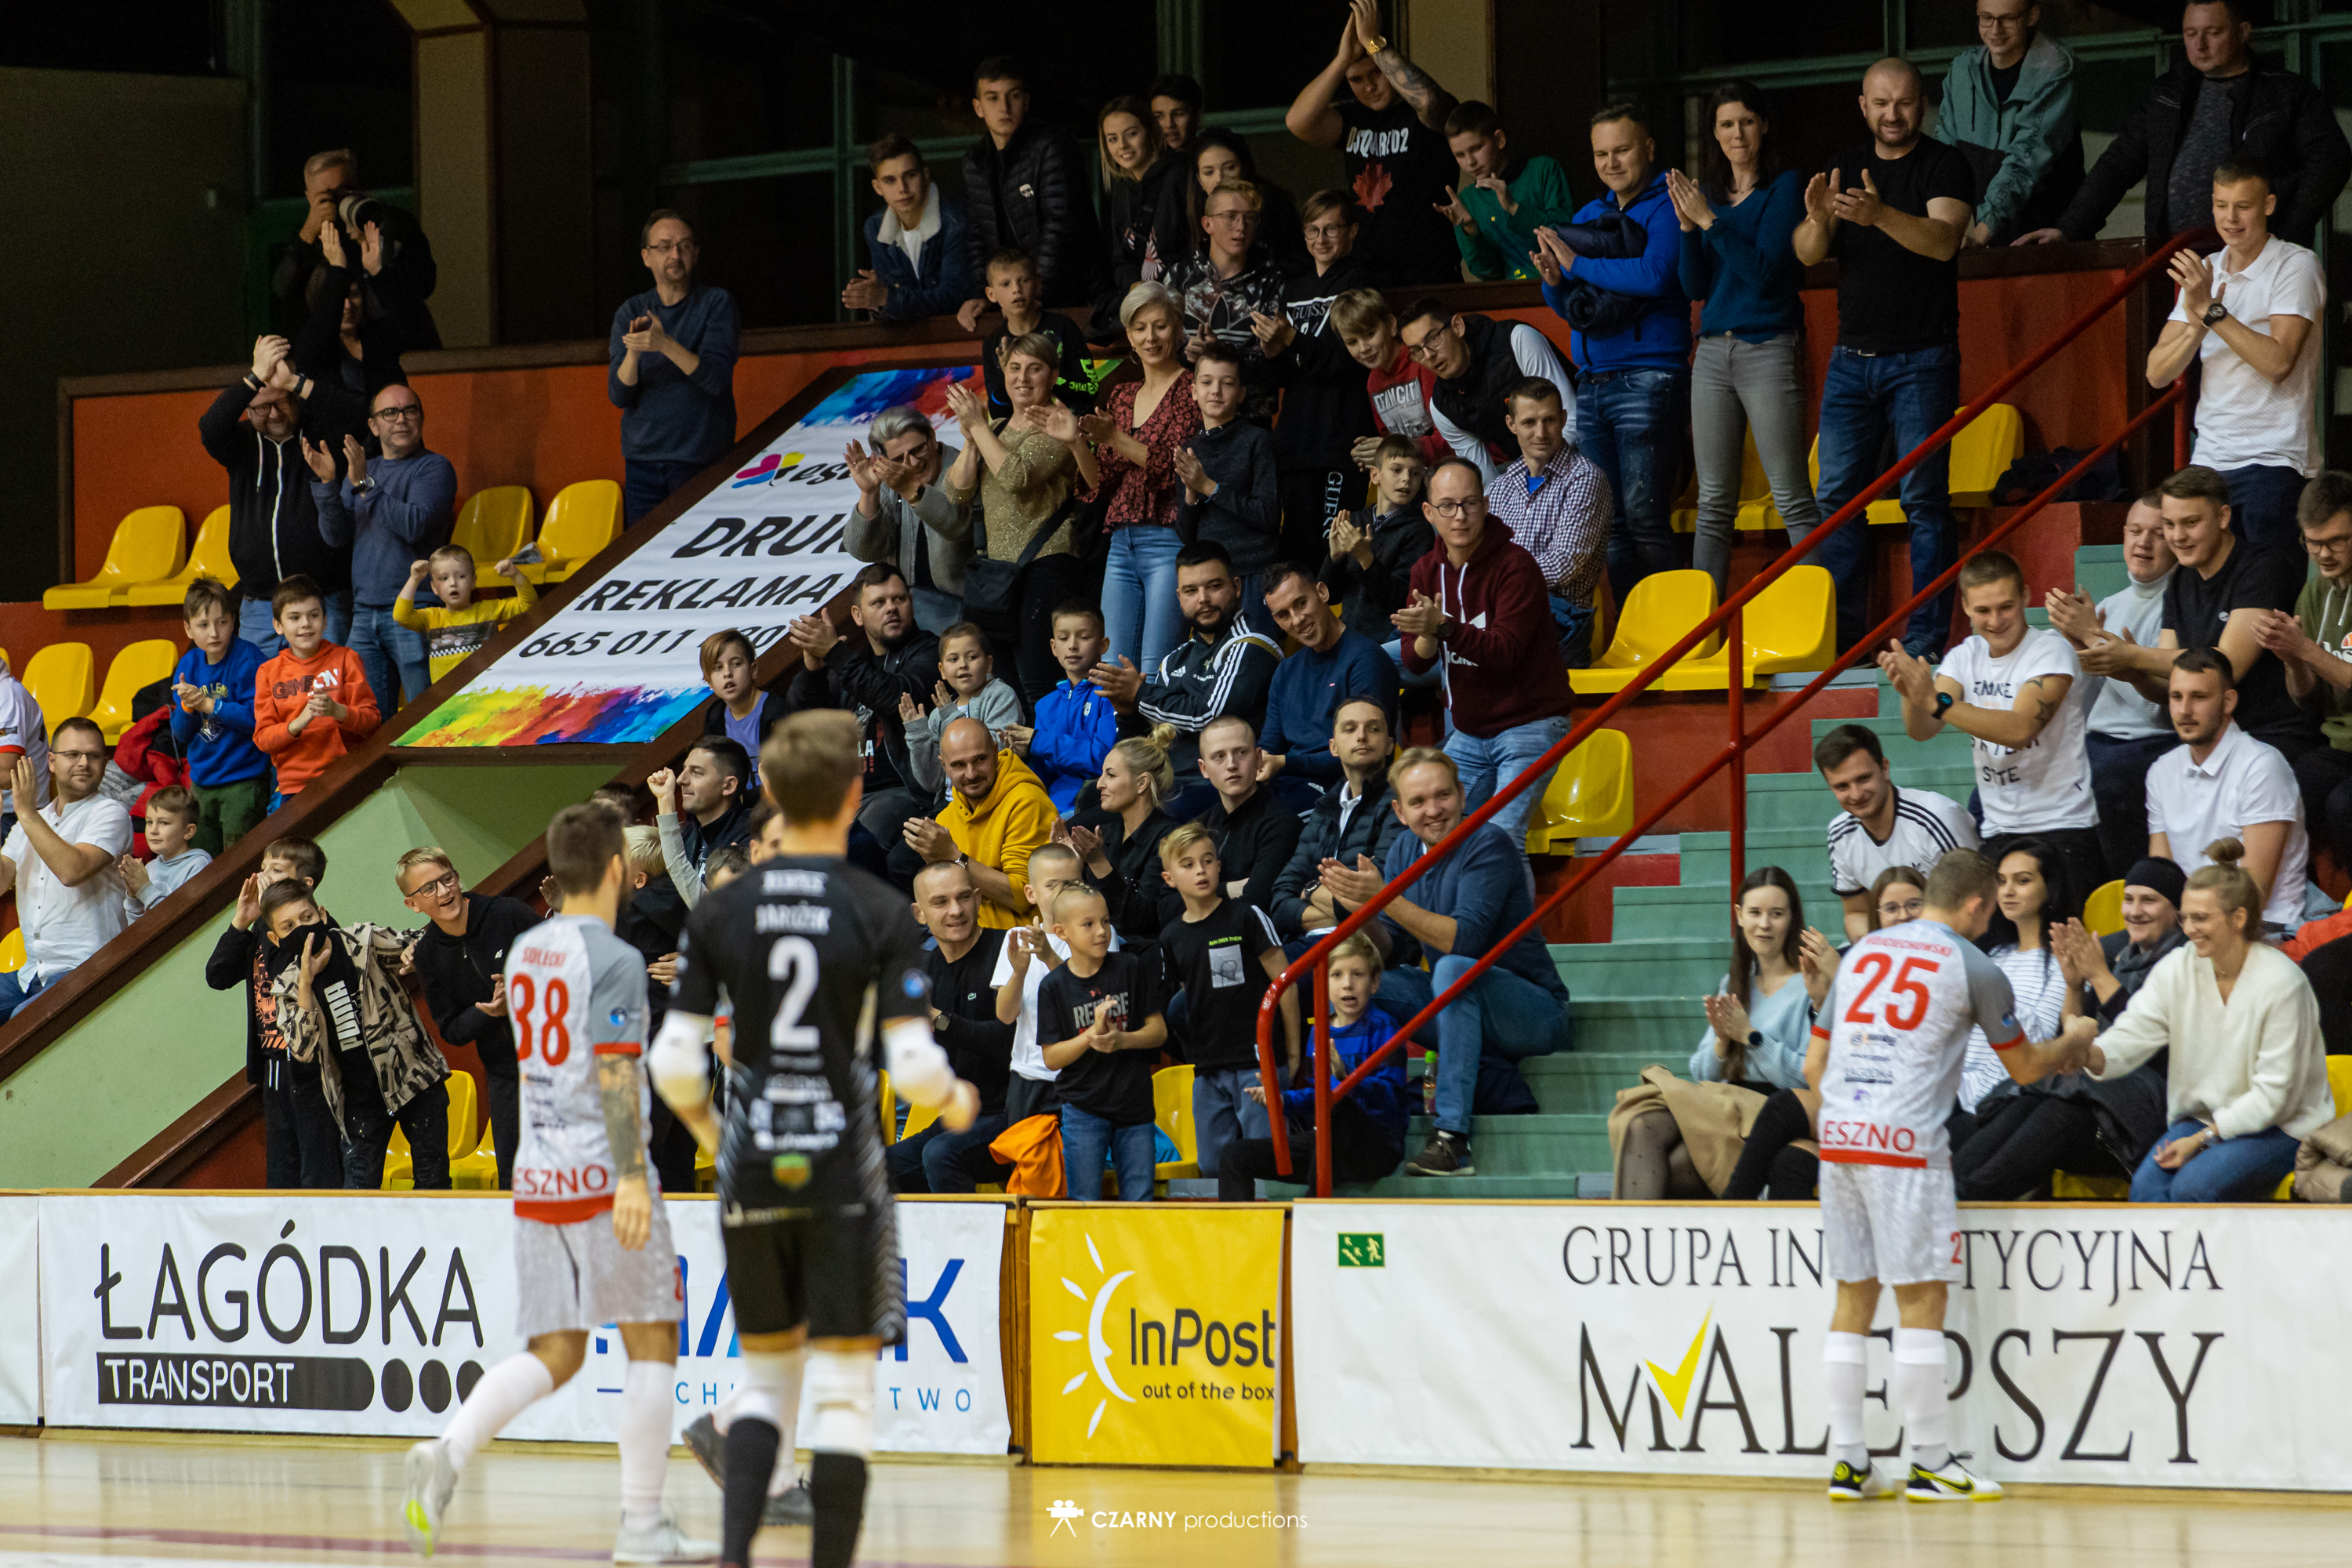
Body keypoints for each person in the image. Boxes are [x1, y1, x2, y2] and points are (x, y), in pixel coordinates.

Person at [649, 710, 983, 1568]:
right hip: (842, 1172)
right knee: (842, 1393)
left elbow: (676, 1062)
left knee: (766, 1378)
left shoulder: (721, 910)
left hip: (753, 1167)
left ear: (767, 789)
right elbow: (915, 1066)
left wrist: (719, 1134)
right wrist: (954, 1098)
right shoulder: (878, 907)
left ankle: (735, 1557)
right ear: (853, 791)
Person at [400, 804, 702, 1561]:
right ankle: (642, 1524)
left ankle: (449, 1449)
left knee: (557, 1350)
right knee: (653, 1343)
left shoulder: (530, 949)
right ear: (617, 870)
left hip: (538, 1169)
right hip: (603, 1169)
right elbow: (616, 1073)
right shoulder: (617, 958)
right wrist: (632, 1176)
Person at [1811, 847, 2097, 1504]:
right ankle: (1932, 1463)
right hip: (1904, 1146)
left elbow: (1813, 1067)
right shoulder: (1972, 965)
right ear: (1975, 903)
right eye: (1989, 906)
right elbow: (2025, 1069)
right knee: (1921, 1302)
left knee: (1853, 1299)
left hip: (1841, 1136)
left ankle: (1849, 1462)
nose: (1991, 918)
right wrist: (2076, 1038)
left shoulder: (1861, 955)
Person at [1795, 59, 1977, 655]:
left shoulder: (1945, 163)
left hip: (1923, 359)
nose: (1892, 114)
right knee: (1836, 501)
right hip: (1851, 359)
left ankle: (1925, 639)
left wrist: (1879, 216)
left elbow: (1944, 241)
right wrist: (1817, 220)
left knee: (1923, 500)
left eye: (1902, 102)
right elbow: (1807, 253)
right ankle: (1847, 640)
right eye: (1880, 103)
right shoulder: (1844, 165)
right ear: (1863, 106)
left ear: (1922, 104)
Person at [1323, 748, 1570, 1177]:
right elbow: (1392, 949)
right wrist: (1363, 912)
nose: (1433, 810)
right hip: (1460, 1005)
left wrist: (1384, 897)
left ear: (1462, 795)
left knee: (1452, 969)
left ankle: (1452, 1138)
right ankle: (1369, 1115)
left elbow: (1464, 940)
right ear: (1400, 812)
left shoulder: (1488, 842)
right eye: (1418, 802)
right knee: (1367, 982)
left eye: (1443, 796)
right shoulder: (1404, 849)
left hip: (1534, 1011)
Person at [2077, 839, 2333, 1201]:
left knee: (2192, 1189)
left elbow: (2274, 1097)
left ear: (2238, 919)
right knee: (2146, 1191)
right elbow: (2133, 1033)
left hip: (2283, 1127)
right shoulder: (2178, 967)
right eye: (2185, 917)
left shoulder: (2282, 982)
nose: (2189, 929)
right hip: (2202, 1120)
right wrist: (2088, 1055)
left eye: (2200, 918)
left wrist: (2203, 1138)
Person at [2020, 0, 2351, 250]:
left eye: (2214, 33)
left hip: (2255, 258)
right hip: (2174, 258)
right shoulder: (2168, 93)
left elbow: (2331, 161)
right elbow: (2118, 164)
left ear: (2243, 32)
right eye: (2191, 34)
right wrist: (2069, 229)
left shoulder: (2285, 92)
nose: (2200, 44)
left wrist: (2285, 229)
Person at [1954, 856, 2185, 1199]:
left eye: (2148, 900)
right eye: (2129, 899)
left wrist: (2099, 976)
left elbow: (2154, 1042)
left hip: (2141, 1110)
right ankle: (1952, 1190)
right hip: (2094, 1092)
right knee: (2028, 1097)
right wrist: (2074, 985)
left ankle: (1972, 1198)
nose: (2135, 911)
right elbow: (2076, 1035)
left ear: (2178, 911)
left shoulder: (2188, 962)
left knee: (2059, 1108)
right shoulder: (2120, 955)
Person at [1667, 82, 1821, 593]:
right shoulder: (1708, 197)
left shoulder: (1784, 188)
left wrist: (1709, 221)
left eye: (1747, 122)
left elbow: (1764, 274)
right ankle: (1704, 624)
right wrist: (1687, 229)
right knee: (1713, 502)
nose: (1737, 134)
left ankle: (1819, 617)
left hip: (1768, 347)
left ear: (1764, 125)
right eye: (1727, 124)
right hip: (1712, 351)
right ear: (1714, 133)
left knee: (1791, 494)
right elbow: (1695, 287)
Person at [1533, 103, 1690, 596]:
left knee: (1646, 518)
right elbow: (1572, 307)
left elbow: (1656, 274)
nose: (1611, 163)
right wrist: (1555, 281)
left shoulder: (1669, 203)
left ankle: (1680, 628)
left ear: (1649, 148)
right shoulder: (1589, 216)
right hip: (1593, 383)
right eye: (1602, 154)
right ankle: (1635, 631)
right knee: (1612, 524)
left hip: (1649, 376)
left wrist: (1576, 262)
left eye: (1622, 150)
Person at [1882, 550, 2103, 895]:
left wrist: (1933, 701)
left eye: (2005, 607)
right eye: (1983, 610)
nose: (1996, 620)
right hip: (1998, 831)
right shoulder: (1964, 656)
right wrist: (1909, 693)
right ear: (1966, 607)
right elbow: (1922, 729)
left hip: (2063, 827)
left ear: (2025, 597)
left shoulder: (2051, 650)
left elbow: (2019, 730)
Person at [1394, 458, 1577, 853]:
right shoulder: (1426, 570)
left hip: (1531, 722)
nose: (1460, 516)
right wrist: (1427, 633)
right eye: (1447, 506)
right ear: (1428, 512)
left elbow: (1505, 652)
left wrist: (1444, 626)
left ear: (1486, 504)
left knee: (1500, 840)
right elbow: (1416, 661)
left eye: (1470, 504)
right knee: (1430, 833)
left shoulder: (1516, 566)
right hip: (1471, 730)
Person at [1619, 868, 1835, 1200]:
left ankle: (1631, 1231)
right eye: (1755, 913)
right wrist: (1722, 1040)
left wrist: (1751, 1037)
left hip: (1766, 1119)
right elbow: (1701, 1072)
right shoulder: (1734, 982)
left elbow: (1807, 1080)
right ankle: (1633, 1231)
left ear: (1792, 919)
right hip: (1722, 1108)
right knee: (1641, 1125)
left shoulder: (1810, 984)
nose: (1764, 924)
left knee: (1672, 1166)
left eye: (1777, 914)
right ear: (1739, 915)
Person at [2145, 158, 2325, 554]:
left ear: (2268, 205)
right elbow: (2157, 373)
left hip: (2275, 460)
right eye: (2221, 205)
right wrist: (2198, 321)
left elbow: (2278, 363)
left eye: (2243, 206)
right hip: (2209, 460)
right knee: (2210, 584)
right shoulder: (2207, 269)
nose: (2230, 218)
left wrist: (2211, 311)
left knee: (2265, 584)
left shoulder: (2296, 264)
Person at [1722, 865, 1931, 1202]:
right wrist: (1823, 1000)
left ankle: (1731, 1208)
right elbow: (1839, 1053)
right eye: (1891, 908)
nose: (1903, 916)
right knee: (1790, 1161)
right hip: (1856, 1093)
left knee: (1782, 1107)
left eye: (1914, 905)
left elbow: (1889, 1043)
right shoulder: (1861, 964)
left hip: (1898, 1102)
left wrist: (1840, 979)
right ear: (1876, 917)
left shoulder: (1938, 964)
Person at [2089, 464, 2318, 759]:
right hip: (2210, 738)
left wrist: (2133, 655)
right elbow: (2170, 684)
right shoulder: (2181, 579)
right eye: (2170, 525)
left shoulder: (2263, 568)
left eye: (2190, 523)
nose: (2178, 536)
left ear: (2223, 517)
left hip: (2271, 733)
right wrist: (2135, 674)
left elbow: (2227, 666)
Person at [260, 877, 452, 1192]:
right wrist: (306, 983)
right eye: (289, 927)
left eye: (307, 918)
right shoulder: (287, 987)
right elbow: (303, 1050)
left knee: (433, 1185)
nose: (302, 930)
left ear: (322, 914)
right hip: (359, 1102)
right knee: (356, 1195)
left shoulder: (362, 942)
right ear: (275, 938)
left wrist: (413, 954)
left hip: (413, 1080)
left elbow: (418, 945)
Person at [1155, 822, 1298, 1199]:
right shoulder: (1171, 936)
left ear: (1220, 866)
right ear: (1169, 878)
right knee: (1213, 1166)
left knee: (1265, 1161)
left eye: (1207, 861)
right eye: (1188, 865)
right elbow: (1190, 999)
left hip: (1257, 1064)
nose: (1201, 871)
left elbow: (1285, 986)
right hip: (1207, 1069)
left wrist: (1293, 1055)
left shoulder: (1247, 915)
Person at [942, 355, 1097, 706]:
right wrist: (972, 438)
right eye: (1014, 368)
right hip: (999, 576)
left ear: (1053, 376)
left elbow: (1016, 477)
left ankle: (1054, 741)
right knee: (1002, 685)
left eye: (1034, 368)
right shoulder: (994, 428)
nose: (1023, 378)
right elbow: (956, 494)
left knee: (1042, 682)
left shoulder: (1056, 425)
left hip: (1047, 566)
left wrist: (979, 427)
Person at [199, 335, 365, 652]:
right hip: (260, 606)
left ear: (295, 400)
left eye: (282, 402)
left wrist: (294, 382)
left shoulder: (318, 434)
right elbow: (210, 427)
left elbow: (358, 416)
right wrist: (254, 377)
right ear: (248, 409)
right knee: (259, 686)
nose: (274, 414)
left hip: (321, 602)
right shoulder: (241, 444)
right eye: (262, 407)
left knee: (328, 684)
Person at [2045, 491, 2179, 880]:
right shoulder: (2109, 605)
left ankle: (2125, 892)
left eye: (2157, 534)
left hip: (2149, 742)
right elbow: (2084, 701)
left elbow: (2157, 710)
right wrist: (2079, 646)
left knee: (2105, 783)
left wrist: (2092, 637)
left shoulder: (2178, 604)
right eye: (2135, 531)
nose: (2143, 542)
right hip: (2098, 740)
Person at [1283, 0, 1463, 286]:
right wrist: (1343, 60)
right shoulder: (1352, 117)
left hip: (1431, 272)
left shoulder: (1420, 113)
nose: (1369, 86)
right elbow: (1297, 122)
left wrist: (1374, 44)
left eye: (1377, 73)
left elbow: (1429, 102)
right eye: (1357, 79)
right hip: (1368, 275)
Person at [306, 383, 456, 712]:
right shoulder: (365, 470)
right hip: (363, 613)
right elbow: (336, 536)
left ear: (421, 419)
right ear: (373, 426)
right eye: (390, 412)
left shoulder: (434, 468)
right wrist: (329, 485)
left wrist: (364, 485)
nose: (401, 419)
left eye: (410, 410)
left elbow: (415, 525)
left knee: (424, 716)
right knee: (369, 720)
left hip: (415, 610)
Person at [1088, 543, 1285, 786]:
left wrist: (1140, 694)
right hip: (1169, 783)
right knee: (1093, 796)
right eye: (1191, 591)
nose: (1203, 599)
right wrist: (1129, 714)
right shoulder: (1174, 660)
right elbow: (1155, 740)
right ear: (1179, 598)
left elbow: (1210, 716)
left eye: (1214, 586)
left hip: (1220, 787)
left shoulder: (1252, 645)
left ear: (1236, 587)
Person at [2144, 647, 2312, 932]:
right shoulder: (2161, 770)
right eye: (2176, 697)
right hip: (2190, 925)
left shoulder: (2262, 766)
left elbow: (2253, 893)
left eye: (2199, 697)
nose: (2184, 710)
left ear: (2228, 701)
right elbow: (2161, 878)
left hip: (2263, 926)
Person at [1254, 190, 1381, 565]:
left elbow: (1351, 361)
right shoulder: (1294, 288)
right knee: (1296, 545)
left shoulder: (1361, 281)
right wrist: (1272, 351)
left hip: (1341, 437)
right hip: (1295, 439)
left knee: (1333, 549)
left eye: (1331, 229)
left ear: (1352, 231)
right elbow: (1284, 373)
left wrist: (1293, 339)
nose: (1321, 239)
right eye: (1312, 230)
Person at [402, 846, 538, 1192]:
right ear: (413, 904)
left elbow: (568, 964)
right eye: (429, 888)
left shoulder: (507, 913)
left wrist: (525, 991)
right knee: (514, 1180)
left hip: (558, 1058)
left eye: (447, 879)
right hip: (505, 1073)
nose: (444, 891)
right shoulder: (427, 954)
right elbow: (451, 1029)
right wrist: (487, 1012)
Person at [1082, 281, 1200, 674]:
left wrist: (1114, 437)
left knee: (1156, 667)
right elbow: (1102, 481)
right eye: (1140, 328)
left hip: (1168, 540)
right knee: (1112, 667)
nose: (1150, 337)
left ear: (1178, 330)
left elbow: (1174, 467)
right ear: (1129, 337)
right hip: (1120, 543)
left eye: (1160, 326)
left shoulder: (1192, 387)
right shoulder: (1122, 395)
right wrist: (1074, 442)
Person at [1229, 933, 1407, 1192]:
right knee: (1235, 1155)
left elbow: (1392, 1098)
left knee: (1338, 1107)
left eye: (1358, 974)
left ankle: (1312, 1208)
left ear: (1375, 982)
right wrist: (1281, 1100)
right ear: (1323, 982)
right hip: (1327, 1140)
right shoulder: (1319, 1032)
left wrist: (1347, 1077)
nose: (1348, 984)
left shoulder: (1384, 1027)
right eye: (1337, 975)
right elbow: (1316, 1096)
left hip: (1377, 1144)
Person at [209, 838, 339, 1188]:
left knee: (319, 1169)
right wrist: (241, 922)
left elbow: (293, 974)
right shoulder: (260, 930)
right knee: (282, 1172)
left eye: (276, 871)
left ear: (305, 884)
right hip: (274, 1063)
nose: (263, 877)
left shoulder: (318, 931)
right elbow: (217, 976)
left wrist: (279, 925)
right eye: (263, 868)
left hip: (312, 1065)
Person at [783, 566, 941, 851]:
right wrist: (813, 671)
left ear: (911, 603)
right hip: (847, 795)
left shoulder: (931, 652)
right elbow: (802, 723)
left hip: (903, 793)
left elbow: (895, 697)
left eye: (899, 599)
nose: (891, 608)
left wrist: (835, 653)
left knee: (852, 846)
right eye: (878, 602)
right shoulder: (853, 664)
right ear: (857, 615)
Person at [1031, 884, 1167, 1201]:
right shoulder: (1053, 986)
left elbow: (1159, 1031)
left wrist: (1121, 1040)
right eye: (1088, 924)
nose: (1102, 931)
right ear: (1061, 932)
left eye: (1105, 921)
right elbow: (1052, 1058)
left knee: (1140, 1199)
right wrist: (1089, 1037)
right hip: (1083, 1109)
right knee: (1084, 1202)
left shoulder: (1130, 966)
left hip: (1135, 1106)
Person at [608, 210, 739, 524]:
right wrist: (634, 352)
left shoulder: (716, 303)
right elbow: (619, 395)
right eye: (665, 247)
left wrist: (664, 344)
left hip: (701, 458)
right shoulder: (630, 310)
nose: (675, 255)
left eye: (684, 246)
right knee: (644, 550)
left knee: (699, 547)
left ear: (695, 253)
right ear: (646, 257)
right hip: (641, 462)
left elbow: (716, 379)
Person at [893, 861, 1014, 1194]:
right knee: (881, 1167)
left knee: (941, 1155)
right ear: (919, 914)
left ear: (978, 899)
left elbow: (1008, 1041)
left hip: (1013, 1112)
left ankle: (970, 1232)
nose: (956, 910)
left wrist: (937, 1019)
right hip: (960, 1114)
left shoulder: (1008, 951)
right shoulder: (923, 971)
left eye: (963, 897)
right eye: (940, 902)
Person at [0, 722, 132, 1019]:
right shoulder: (31, 820)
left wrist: (26, 812)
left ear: (104, 763)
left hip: (87, 967)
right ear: (51, 761)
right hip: (30, 972)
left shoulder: (111, 813)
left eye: (94, 756)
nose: (84, 763)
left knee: (23, 1023)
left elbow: (72, 871)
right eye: (73, 754)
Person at [1930, 0, 2085, 246]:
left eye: (2008, 18)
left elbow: (2027, 158)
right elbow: (1943, 157)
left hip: (2044, 241)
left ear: (2032, 16)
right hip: (1987, 239)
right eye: (1986, 17)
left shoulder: (2054, 69)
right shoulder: (1962, 70)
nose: (1995, 29)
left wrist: (1981, 233)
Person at [956, 56, 1100, 316]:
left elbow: (1062, 226)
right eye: (993, 98)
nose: (1004, 108)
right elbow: (976, 237)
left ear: (1026, 101)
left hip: (1065, 297)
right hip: (1013, 300)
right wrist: (982, 293)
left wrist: (1031, 292)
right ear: (978, 107)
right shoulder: (975, 161)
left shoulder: (1051, 146)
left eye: (1013, 96)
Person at [2259, 474, 2352, 866]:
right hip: (2339, 746)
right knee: (2278, 792)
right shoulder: (2315, 593)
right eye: (2313, 543)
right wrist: (2292, 660)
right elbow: (2309, 702)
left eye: (2336, 541)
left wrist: (2306, 650)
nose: (2323, 554)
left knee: (2344, 805)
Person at [1486, 378, 1612, 666]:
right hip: (1502, 613)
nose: (1541, 433)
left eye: (1550, 420)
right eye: (1529, 422)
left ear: (1564, 419)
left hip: (1560, 620)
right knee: (1427, 648)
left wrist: (1495, 580)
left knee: (1448, 652)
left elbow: (1563, 565)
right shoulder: (1501, 487)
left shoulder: (1584, 478)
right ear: (1511, 424)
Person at [1818, 723, 1980, 941]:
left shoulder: (1936, 817)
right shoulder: (1839, 834)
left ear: (1885, 768)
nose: (1856, 794)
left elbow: (1972, 907)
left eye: (1863, 779)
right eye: (1842, 786)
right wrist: (1886, 946)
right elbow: (1856, 913)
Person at [1258, 563, 1400, 804]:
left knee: (1271, 819)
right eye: (1284, 615)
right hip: (1286, 783)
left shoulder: (1367, 660)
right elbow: (1269, 745)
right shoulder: (1285, 671)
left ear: (1322, 593)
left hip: (1340, 790)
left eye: (1301, 603)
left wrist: (1285, 762)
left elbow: (1362, 753)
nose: (1297, 620)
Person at [1270, 698, 1404, 951]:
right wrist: (1340, 914)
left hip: (1366, 949)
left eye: (1374, 728)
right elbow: (1280, 899)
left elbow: (1377, 897)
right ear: (1333, 747)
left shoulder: (1401, 803)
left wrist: (1310, 890)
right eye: (1350, 729)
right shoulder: (1325, 807)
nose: (1362, 736)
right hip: (1313, 940)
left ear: (1390, 745)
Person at [272, 148, 440, 350]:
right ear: (309, 198)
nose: (339, 201)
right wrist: (308, 234)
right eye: (327, 197)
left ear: (358, 186)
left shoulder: (392, 223)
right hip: (339, 356)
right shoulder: (310, 242)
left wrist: (380, 245)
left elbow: (424, 284)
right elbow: (281, 290)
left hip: (403, 348)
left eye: (346, 190)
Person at [898, 718, 1058, 927]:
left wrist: (953, 857)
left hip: (1019, 936)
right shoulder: (945, 819)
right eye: (958, 765)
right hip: (963, 930)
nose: (971, 773)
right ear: (944, 766)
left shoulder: (1027, 802)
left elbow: (1023, 897)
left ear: (995, 751)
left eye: (980, 760)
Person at [1397, 299, 1574, 485]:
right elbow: (1485, 480)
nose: (1429, 355)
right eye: (1417, 351)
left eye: (1433, 339)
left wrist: (1536, 477)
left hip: (1575, 451)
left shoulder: (1517, 340)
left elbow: (1571, 419)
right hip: (1525, 469)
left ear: (1457, 327)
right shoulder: (1441, 407)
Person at [990, 841, 1100, 1138]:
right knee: (1028, 1161)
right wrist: (1019, 972)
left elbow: (1088, 999)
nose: (1063, 892)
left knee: (1080, 1159)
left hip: (1084, 1074)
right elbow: (1005, 1015)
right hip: (1029, 1076)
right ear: (1031, 893)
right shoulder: (1016, 937)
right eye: (1052, 885)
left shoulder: (1100, 933)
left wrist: (1050, 957)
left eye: (1072, 883)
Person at [1163, 182, 1289, 426]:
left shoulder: (1272, 281)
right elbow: (1159, 349)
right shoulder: (1179, 277)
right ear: (1207, 224)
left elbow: (1278, 367)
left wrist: (1220, 353)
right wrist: (1185, 354)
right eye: (1230, 217)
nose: (1241, 227)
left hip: (1249, 420)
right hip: (1184, 418)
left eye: (1249, 218)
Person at [1175, 343, 1281, 621]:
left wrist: (1208, 487)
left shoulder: (1258, 440)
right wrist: (1191, 492)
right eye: (1207, 382)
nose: (1216, 391)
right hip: (1209, 579)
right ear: (1193, 391)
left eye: (1227, 383)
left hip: (1253, 570)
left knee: (1253, 647)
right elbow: (1186, 535)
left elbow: (1268, 515)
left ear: (1241, 393)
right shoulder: (1189, 449)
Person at [844, 405, 971, 637]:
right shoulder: (890, 480)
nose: (912, 463)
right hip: (908, 617)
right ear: (882, 460)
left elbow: (958, 527)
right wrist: (869, 492)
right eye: (898, 458)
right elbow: (865, 551)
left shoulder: (962, 468)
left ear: (932, 437)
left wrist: (912, 490)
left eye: (918, 450)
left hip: (967, 614)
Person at [254, 575, 380, 804]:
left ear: (325, 621)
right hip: (295, 786)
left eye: (313, 615)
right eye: (294, 617)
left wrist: (337, 711)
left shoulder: (346, 659)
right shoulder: (267, 672)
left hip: (346, 776)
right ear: (278, 626)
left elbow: (372, 721)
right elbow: (263, 738)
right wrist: (297, 724)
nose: (305, 624)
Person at [170, 579, 271, 855]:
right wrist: (188, 707)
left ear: (233, 620)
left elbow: (257, 719)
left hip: (244, 781)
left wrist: (210, 705)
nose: (214, 633)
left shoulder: (249, 659)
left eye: (222, 622)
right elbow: (181, 734)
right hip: (202, 783)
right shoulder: (188, 664)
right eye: (203, 625)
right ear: (188, 629)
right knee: (203, 860)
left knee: (240, 862)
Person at [1438, 100, 1577, 284]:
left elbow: (1567, 238)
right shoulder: (1466, 200)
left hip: (1561, 285)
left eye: (1477, 148)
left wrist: (1514, 208)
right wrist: (1471, 231)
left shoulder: (1543, 170)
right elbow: (1489, 273)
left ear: (1499, 140)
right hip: (1509, 294)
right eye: (1460, 155)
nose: (1470, 162)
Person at [844, 135, 975, 323]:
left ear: (926, 175)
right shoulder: (875, 227)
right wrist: (875, 299)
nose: (902, 188)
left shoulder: (954, 221)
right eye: (890, 180)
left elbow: (955, 298)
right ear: (877, 187)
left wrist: (887, 297)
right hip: (910, 336)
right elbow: (891, 310)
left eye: (910, 175)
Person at [1069, 729, 1181, 945]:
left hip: (1139, 953)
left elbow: (1143, 921)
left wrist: (1099, 863)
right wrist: (1070, 865)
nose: (1099, 784)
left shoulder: (1169, 839)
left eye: (1110, 775)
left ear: (1142, 783)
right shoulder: (1106, 833)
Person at [1325, 437, 1435, 659]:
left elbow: (1402, 601)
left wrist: (1366, 559)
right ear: (1375, 475)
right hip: (1347, 639)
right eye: (1397, 470)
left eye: (1415, 473)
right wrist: (1335, 559)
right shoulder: (1355, 520)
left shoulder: (1420, 531)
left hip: (1386, 645)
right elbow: (1330, 596)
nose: (1406, 479)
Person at [290, 211, 417, 400]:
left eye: (355, 295)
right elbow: (319, 335)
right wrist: (337, 269)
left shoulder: (379, 337)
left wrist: (378, 273)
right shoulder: (313, 344)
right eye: (340, 297)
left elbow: (409, 323)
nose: (348, 305)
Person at [1188, 717, 1305, 916]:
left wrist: (1195, 893)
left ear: (1259, 758)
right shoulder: (1199, 826)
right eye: (1219, 756)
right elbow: (1165, 903)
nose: (1231, 765)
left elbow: (1257, 900)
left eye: (1241, 753)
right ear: (1204, 768)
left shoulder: (1282, 824)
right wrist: (1227, 889)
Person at [1010, 602, 1116, 814]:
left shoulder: (1111, 694)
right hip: (1052, 804)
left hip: (1095, 801)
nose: (1073, 646)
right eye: (1063, 638)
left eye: (1084, 637)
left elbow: (1103, 760)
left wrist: (1040, 742)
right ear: (1053, 647)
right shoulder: (1045, 706)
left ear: (1103, 645)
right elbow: (1044, 774)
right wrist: (1027, 755)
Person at [904, 623, 1025, 801]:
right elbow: (933, 782)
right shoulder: (938, 715)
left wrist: (951, 716)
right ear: (942, 670)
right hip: (950, 804)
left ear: (989, 664)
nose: (963, 665)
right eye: (953, 659)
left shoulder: (1000, 695)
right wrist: (919, 736)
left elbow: (999, 752)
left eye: (972, 657)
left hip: (996, 799)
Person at [1330, 289, 1449, 469]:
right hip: (1412, 470)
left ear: (1392, 325)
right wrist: (1374, 457)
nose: (1363, 348)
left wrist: (1391, 450)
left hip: (1445, 467)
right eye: (1352, 342)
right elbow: (1388, 437)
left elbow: (1449, 437)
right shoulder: (1373, 382)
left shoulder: (1421, 363)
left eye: (1370, 334)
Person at [970, 249, 1094, 420]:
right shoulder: (994, 343)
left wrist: (1048, 377)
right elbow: (998, 412)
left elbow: (1090, 390)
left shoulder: (1063, 327)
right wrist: (1006, 374)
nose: (1017, 290)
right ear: (991, 294)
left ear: (1037, 283)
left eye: (1025, 280)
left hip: (1068, 423)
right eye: (1006, 284)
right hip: (1020, 430)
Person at [392, 545, 538, 690]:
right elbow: (401, 616)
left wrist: (515, 575)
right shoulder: (432, 617)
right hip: (448, 697)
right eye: (444, 578)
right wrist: (414, 579)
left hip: (488, 690)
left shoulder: (490, 610)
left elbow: (528, 605)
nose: (453, 583)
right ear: (434, 588)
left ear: (473, 581)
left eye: (461, 576)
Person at [644, 739, 758, 921]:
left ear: (728, 786)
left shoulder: (752, 837)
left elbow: (718, 913)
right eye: (684, 769)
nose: (680, 780)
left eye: (696, 773)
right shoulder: (686, 835)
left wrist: (666, 804)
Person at [1092, 96, 1186, 318]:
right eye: (1112, 139)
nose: (1122, 146)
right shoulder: (1121, 187)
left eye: (1132, 134)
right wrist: (1134, 285)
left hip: (1181, 304)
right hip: (1143, 307)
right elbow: (1120, 257)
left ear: (1151, 131)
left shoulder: (1180, 176)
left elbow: (1193, 250)